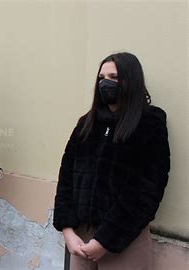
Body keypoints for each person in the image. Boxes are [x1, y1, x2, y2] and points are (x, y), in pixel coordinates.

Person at [53, 52, 170, 269]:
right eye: (101, 78)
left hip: (125, 239)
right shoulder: (86, 124)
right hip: (80, 238)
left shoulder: (149, 124)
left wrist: (105, 240)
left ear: (130, 80)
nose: (106, 83)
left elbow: (146, 190)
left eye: (114, 77)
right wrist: (67, 231)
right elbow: (66, 178)